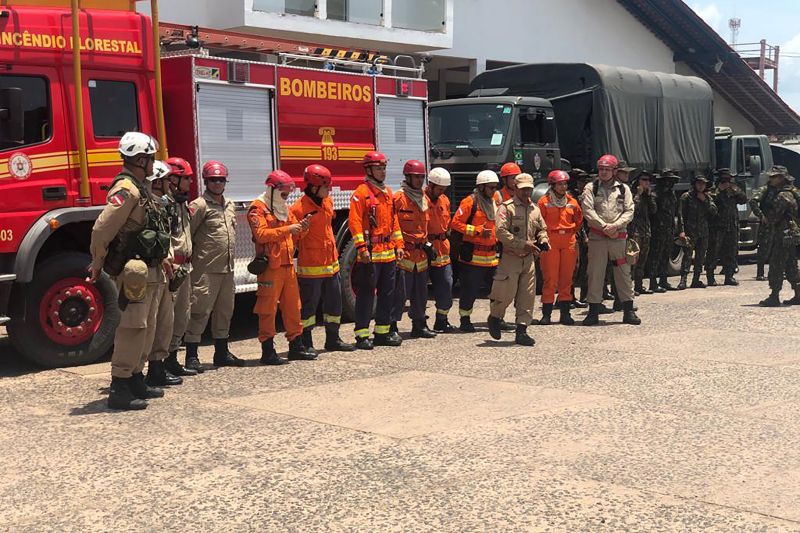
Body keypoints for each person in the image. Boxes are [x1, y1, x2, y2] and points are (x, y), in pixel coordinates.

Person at [88, 132, 170, 410]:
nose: (153, 164)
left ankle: (136, 377)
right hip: (133, 269)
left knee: (146, 327)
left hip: (150, 267)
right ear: (140, 159)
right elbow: (102, 229)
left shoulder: (140, 187)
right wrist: (98, 262)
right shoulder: (127, 190)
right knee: (133, 327)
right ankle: (120, 386)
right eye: (150, 158)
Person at [249, 170, 315, 363]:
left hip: (287, 265)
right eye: (284, 194)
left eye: (287, 194)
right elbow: (261, 234)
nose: (286, 198)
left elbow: (296, 234)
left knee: (293, 307)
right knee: (267, 308)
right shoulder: (258, 208)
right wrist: (288, 229)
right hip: (271, 266)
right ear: (273, 190)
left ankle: (296, 345)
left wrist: (303, 227)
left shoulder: (282, 207)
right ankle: (267, 350)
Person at [184, 161, 244, 368]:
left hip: (227, 270)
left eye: (220, 180)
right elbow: (187, 235)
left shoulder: (229, 205)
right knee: (199, 311)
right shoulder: (198, 206)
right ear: (206, 181)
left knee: (225, 312)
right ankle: (191, 356)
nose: (217, 183)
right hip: (205, 270)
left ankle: (221, 353)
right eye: (213, 180)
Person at [290, 164, 354, 354]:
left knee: (335, 305)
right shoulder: (298, 209)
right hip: (311, 268)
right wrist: (303, 229)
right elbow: (293, 240)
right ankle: (306, 341)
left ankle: (333, 339)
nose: (328, 190)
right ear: (313, 186)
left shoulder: (327, 202)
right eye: (325, 186)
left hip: (331, 266)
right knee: (308, 308)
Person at [349, 151, 404, 349]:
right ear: (369, 170)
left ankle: (382, 333)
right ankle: (362, 335)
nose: (383, 172)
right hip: (370, 254)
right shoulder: (361, 193)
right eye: (379, 168)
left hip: (388, 253)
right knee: (366, 295)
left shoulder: (388, 193)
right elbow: (355, 223)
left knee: (387, 294)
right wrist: (361, 248)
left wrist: (399, 245)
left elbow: (394, 221)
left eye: (384, 168)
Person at [580, 154, 640, 326]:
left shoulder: (623, 189)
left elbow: (629, 211)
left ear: (614, 171)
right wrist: (604, 226)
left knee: (623, 273)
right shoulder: (590, 188)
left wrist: (615, 226)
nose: (604, 172)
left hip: (618, 238)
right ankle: (593, 312)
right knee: (595, 274)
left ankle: (628, 311)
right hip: (598, 238)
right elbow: (588, 210)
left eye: (607, 169)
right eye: (601, 169)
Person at [489, 173, 548, 345]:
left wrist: (544, 240)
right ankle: (495, 317)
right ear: (515, 188)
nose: (526, 192)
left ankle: (522, 330)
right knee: (505, 293)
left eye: (529, 189)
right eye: (523, 189)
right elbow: (500, 232)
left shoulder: (535, 209)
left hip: (528, 260)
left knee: (527, 296)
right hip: (510, 257)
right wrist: (522, 244)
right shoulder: (506, 208)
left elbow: (542, 228)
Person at [145, 160, 184, 387]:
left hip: (164, 272)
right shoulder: (144, 206)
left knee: (164, 323)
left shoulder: (163, 205)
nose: (172, 184)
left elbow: (166, 237)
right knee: (147, 325)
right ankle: (138, 374)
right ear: (157, 182)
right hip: (149, 272)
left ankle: (157, 369)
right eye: (167, 180)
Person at [163, 157, 199, 377]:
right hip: (172, 268)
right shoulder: (165, 205)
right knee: (167, 319)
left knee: (182, 316)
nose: (190, 183)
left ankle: (173, 359)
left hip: (185, 267)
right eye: (187, 179)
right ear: (174, 179)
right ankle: (161, 362)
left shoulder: (182, 203)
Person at [450, 170, 500, 332]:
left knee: (497, 291)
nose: (494, 191)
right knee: (469, 291)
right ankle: (465, 319)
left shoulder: (495, 202)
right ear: (481, 187)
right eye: (491, 188)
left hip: (492, 257)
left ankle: (496, 319)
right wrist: (476, 230)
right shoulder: (470, 202)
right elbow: (455, 223)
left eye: (495, 187)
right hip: (473, 258)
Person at [392, 160, 437, 338]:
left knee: (421, 293)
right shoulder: (399, 198)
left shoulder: (424, 198)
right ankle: (391, 326)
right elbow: (392, 225)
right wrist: (398, 247)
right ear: (408, 177)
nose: (419, 181)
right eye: (416, 177)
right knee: (400, 294)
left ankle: (419, 324)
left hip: (421, 254)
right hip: (405, 253)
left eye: (421, 177)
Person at [537, 170, 582, 325]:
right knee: (550, 278)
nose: (563, 186)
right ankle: (546, 314)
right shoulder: (543, 202)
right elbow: (538, 222)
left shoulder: (572, 202)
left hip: (568, 240)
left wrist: (568, 233)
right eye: (560, 184)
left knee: (567, 278)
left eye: (565, 183)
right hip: (551, 240)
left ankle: (565, 313)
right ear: (552, 185)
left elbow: (578, 221)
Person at [758, 166, 800, 306]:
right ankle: (798, 293)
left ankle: (774, 296)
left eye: (773, 177)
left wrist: (766, 216)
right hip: (791, 234)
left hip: (782, 235)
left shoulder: (782, 196)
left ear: (782, 178)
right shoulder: (792, 192)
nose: (771, 179)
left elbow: (774, 216)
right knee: (790, 265)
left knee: (776, 264)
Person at [425, 167, 457, 333]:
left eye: (444, 189)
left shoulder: (444, 200)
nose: (441, 192)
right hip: (425, 249)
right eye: (439, 189)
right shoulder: (421, 200)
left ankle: (441, 320)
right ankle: (420, 322)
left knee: (446, 284)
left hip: (442, 249)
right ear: (430, 185)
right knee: (419, 289)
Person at [706, 168, 747, 286]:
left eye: (728, 180)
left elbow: (743, 200)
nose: (726, 182)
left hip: (732, 226)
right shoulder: (714, 191)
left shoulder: (733, 190)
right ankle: (710, 276)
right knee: (713, 251)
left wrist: (736, 190)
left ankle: (729, 276)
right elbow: (709, 201)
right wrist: (719, 190)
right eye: (724, 180)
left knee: (731, 251)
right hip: (718, 227)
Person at [677, 175, 718, 290]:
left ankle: (696, 279)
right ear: (694, 184)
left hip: (703, 232)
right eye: (699, 183)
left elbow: (714, 212)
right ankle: (683, 280)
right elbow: (681, 215)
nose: (701, 186)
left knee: (700, 257)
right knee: (687, 257)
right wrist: (681, 231)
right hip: (690, 232)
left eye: (703, 184)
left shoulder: (707, 197)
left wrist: (704, 201)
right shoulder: (686, 197)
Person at [648, 170, 680, 292]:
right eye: (667, 181)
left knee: (666, 256)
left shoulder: (671, 194)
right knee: (655, 256)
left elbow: (674, 212)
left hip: (669, 229)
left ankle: (663, 280)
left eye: (671, 181)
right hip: (658, 230)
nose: (669, 183)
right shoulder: (656, 194)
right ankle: (652, 282)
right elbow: (653, 211)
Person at [629, 170, 657, 295]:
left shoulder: (649, 196)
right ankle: (629, 287)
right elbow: (632, 210)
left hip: (646, 231)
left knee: (642, 261)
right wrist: (639, 195)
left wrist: (649, 195)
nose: (646, 183)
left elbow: (654, 211)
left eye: (648, 180)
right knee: (632, 261)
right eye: (644, 180)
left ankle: (639, 286)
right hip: (634, 232)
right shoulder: (631, 194)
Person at [569, 169, 591, 308]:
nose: (584, 184)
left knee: (584, 267)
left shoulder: (581, 196)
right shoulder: (570, 197)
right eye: (581, 181)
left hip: (581, 235)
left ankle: (583, 296)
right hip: (572, 236)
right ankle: (568, 297)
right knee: (572, 267)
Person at [749, 184, 771, 281]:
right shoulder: (765, 189)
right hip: (767, 224)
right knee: (763, 249)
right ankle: (760, 273)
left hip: (780, 224)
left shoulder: (784, 190)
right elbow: (752, 201)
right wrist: (761, 215)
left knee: (780, 248)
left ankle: (780, 271)